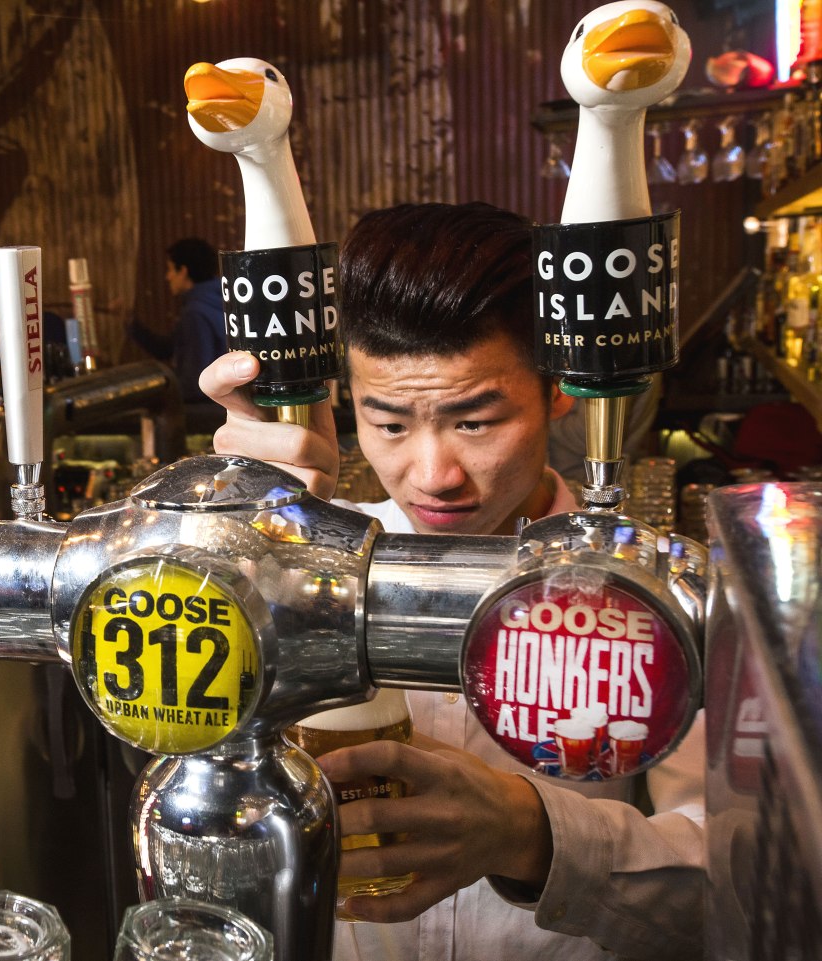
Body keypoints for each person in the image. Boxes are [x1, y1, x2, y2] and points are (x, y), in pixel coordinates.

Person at [200, 202, 705, 961]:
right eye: (390, 424)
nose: (433, 475)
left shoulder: (647, 592)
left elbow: (740, 878)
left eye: (475, 422)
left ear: (557, 389)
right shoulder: (301, 564)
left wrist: (533, 836)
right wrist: (235, 551)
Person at [130, 238, 227, 406]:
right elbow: (166, 348)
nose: (167, 277)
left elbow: (195, 383)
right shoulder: (220, 300)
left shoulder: (196, 313)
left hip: (207, 408)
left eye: (169, 269)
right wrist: (131, 323)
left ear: (183, 271)